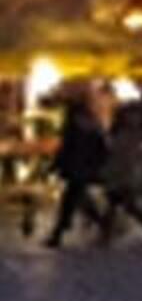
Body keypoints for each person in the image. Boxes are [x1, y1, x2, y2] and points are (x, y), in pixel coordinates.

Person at [43, 93, 108, 247]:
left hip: (76, 168)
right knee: (77, 198)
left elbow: (66, 149)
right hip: (83, 168)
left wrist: (55, 165)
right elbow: (101, 148)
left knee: (70, 200)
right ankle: (101, 223)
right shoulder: (93, 126)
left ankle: (57, 234)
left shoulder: (73, 127)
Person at [99, 101, 142, 245]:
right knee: (120, 203)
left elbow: (131, 155)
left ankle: (106, 234)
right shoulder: (121, 133)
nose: (134, 118)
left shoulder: (135, 134)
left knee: (120, 203)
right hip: (118, 171)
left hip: (126, 172)